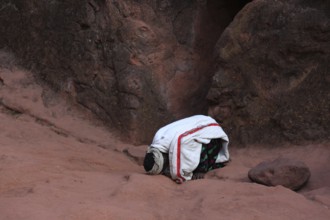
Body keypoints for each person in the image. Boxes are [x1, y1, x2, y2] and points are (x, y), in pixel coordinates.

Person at [143, 115, 230, 184]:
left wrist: (201, 170)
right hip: (199, 120)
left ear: (164, 158)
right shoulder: (157, 139)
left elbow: (197, 148)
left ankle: (204, 166)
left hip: (211, 131)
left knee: (197, 153)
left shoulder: (182, 142)